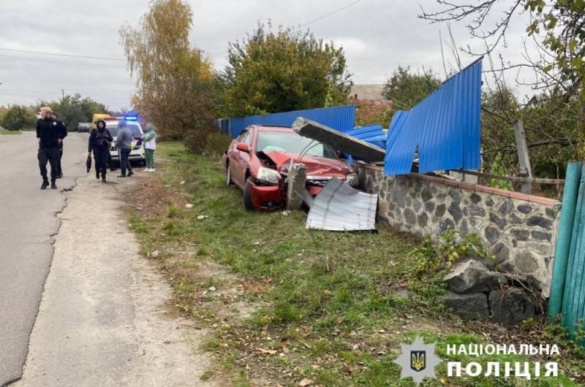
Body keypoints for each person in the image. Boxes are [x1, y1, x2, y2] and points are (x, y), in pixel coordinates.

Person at [36, 106, 64, 190]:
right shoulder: (40, 122)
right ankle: (45, 180)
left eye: (42, 112)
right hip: (43, 148)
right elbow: (38, 132)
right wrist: (39, 138)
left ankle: (53, 182)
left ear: (47, 113)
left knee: (54, 166)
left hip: (54, 147)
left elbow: (64, 131)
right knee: (42, 164)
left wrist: (60, 138)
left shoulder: (56, 122)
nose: (41, 114)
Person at [50, 112, 67, 178]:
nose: (52, 117)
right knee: (53, 159)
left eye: (53, 116)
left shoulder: (60, 123)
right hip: (51, 143)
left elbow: (65, 132)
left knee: (57, 158)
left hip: (58, 143)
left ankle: (58, 172)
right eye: (51, 116)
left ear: (56, 116)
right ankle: (56, 172)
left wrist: (60, 138)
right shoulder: (49, 123)